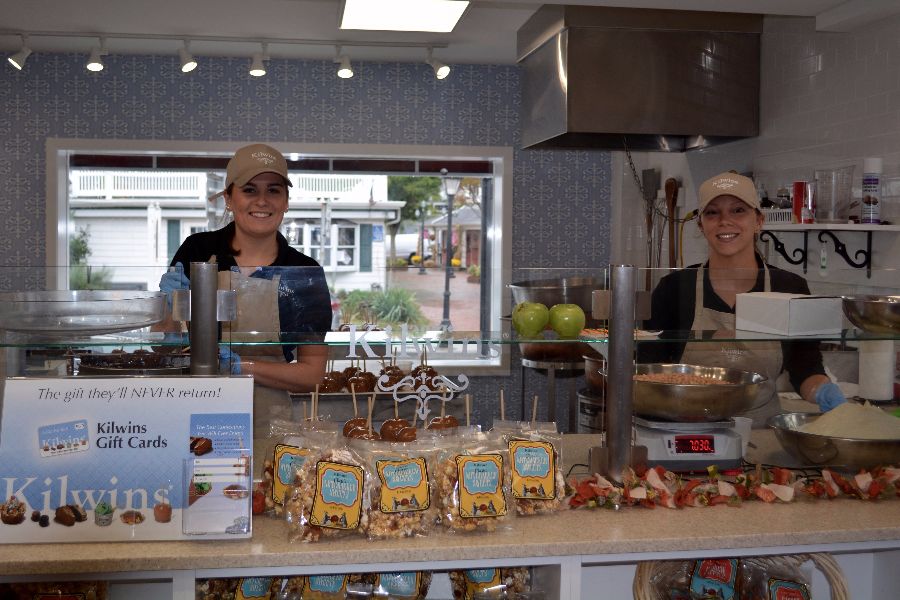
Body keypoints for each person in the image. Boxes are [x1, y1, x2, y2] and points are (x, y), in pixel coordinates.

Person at [157, 143, 332, 468]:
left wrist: (241, 367)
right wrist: (166, 313)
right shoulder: (197, 250)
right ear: (229, 198)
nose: (262, 201)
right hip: (195, 414)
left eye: (273, 190)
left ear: (286, 201)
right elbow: (163, 349)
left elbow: (313, 374)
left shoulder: (303, 272)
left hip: (270, 423)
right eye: (249, 189)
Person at [640, 171, 846, 427]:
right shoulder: (674, 288)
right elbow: (648, 369)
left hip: (763, 432)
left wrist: (823, 391)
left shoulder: (789, 287)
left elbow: (805, 367)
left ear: (759, 221)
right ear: (701, 225)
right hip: (687, 429)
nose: (725, 221)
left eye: (738, 210)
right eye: (712, 212)